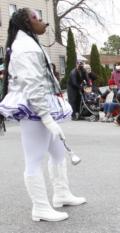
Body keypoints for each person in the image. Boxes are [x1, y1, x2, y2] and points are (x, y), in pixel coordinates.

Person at [0, 8, 86, 222]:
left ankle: (61, 194)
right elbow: (32, 85)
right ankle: (40, 207)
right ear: (26, 23)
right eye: (37, 18)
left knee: (57, 153)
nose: (43, 22)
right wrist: (47, 118)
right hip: (34, 108)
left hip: (42, 104)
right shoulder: (26, 47)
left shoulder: (31, 42)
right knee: (34, 159)